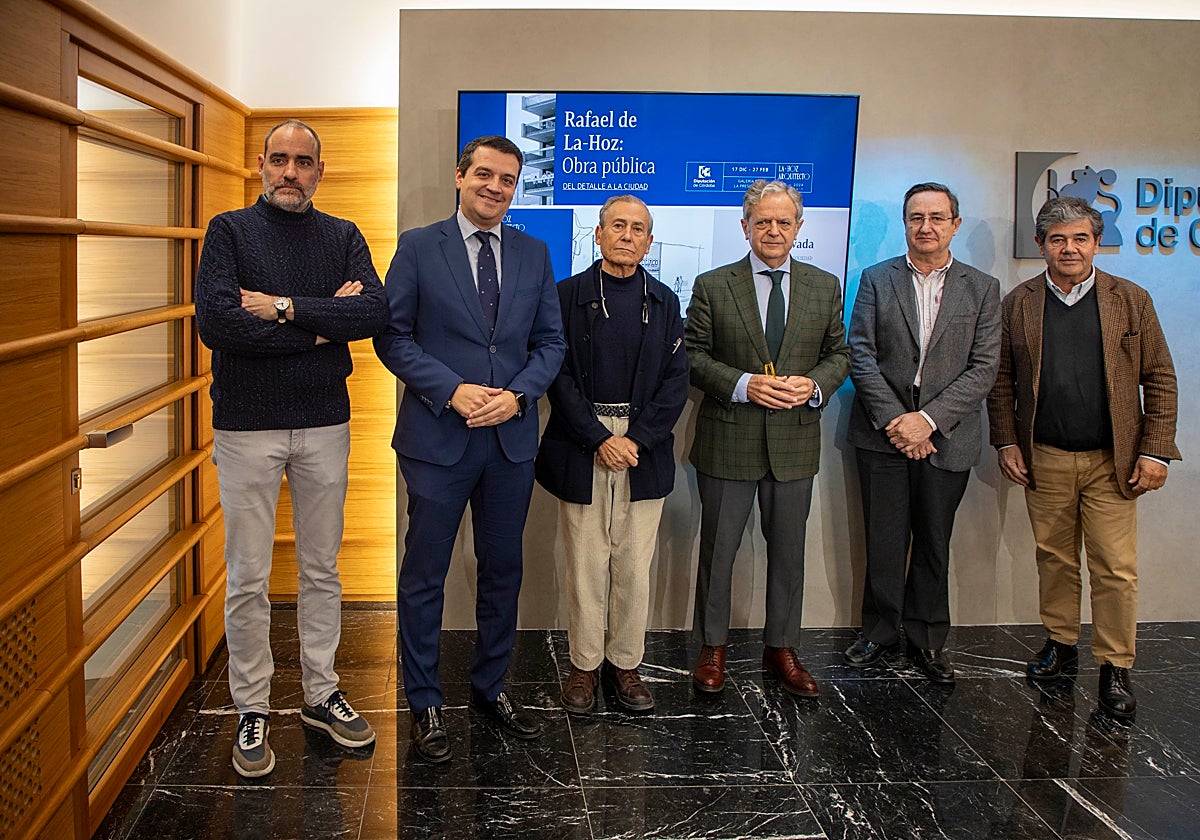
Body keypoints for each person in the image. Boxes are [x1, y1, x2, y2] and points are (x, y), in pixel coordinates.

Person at [195, 119, 387, 778]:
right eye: (279, 159)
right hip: (246, 426)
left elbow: (370, 315)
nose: (290, 172)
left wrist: (276, 306)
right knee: (248, 575)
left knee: (320, 570)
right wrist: (316, 326)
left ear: (319, 170)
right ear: (260, 164)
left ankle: (319, 692)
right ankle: (251, 706)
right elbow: (217, 325)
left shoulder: (343, 236)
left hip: (324, 423)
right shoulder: (229, 231)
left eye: (304, 161)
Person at [374, 136, 565, 762]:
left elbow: (550, 345)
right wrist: (451, 391)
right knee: (424, 576)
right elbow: (393, 338)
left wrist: (519, 397)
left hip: (509, 442)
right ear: (460, 176)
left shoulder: (535, 254)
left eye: (507, 179)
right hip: (438, 440)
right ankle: (425, 702)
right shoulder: (417, 246)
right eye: (484, 174)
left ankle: (490, 687)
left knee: (502, 572)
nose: (495, 187)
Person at [987, 196, 1179, 718]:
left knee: (1116, 568)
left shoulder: (1130, 299)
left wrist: (1156, 451)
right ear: (1040, 245)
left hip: (1112, 461)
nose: (1069, 248)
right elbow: (1001, 381)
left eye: (1079, 239)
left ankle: (1116, 666)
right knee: (1055, 557)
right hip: (1044, 455)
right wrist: (1006, 440)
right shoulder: (1019, 302)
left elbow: (1160, 378)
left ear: (1097, 242)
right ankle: (1061, 645)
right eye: (1057, 239)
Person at [685, 179, 850, 698]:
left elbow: (840, 354)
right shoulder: (713, 284)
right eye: (763, 222)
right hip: (728, 439)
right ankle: (712, 647)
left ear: (799, 227)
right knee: (719, 551)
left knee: (789, 552)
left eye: (784, 222)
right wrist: (743, 384)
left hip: (794, 442)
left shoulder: (824, 286)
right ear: (745, 226)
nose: (773, 231)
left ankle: (782, 645)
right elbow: (691, 355)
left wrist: (816, 383)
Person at [534, 195, 689, 714]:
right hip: (584, 443)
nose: (627, 235)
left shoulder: (666, 303)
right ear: (597, 235)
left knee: (633, 564)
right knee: (583, 561)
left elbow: (676, 383)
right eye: (617, 226)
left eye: (638, 228)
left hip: (643, 449)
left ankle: (625, 665)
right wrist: (599, 437)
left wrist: (635, 440)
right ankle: (583, 665)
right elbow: (554, 374)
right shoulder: (565, 296)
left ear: (649, 241)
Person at [843, 182, 1001, 684]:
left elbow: (983, 368)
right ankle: (880, 629)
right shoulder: (875, 278)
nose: (926, 226)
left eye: (937, 216)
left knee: (934, 540)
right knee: (884, 539)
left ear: (954, 224)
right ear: (905, 223)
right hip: (882, 434)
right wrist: (899, 420)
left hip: (947, 437)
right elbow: (860, 354)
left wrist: (927, 421)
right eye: (916, 217)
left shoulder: (983, 287)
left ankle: (928, 638)